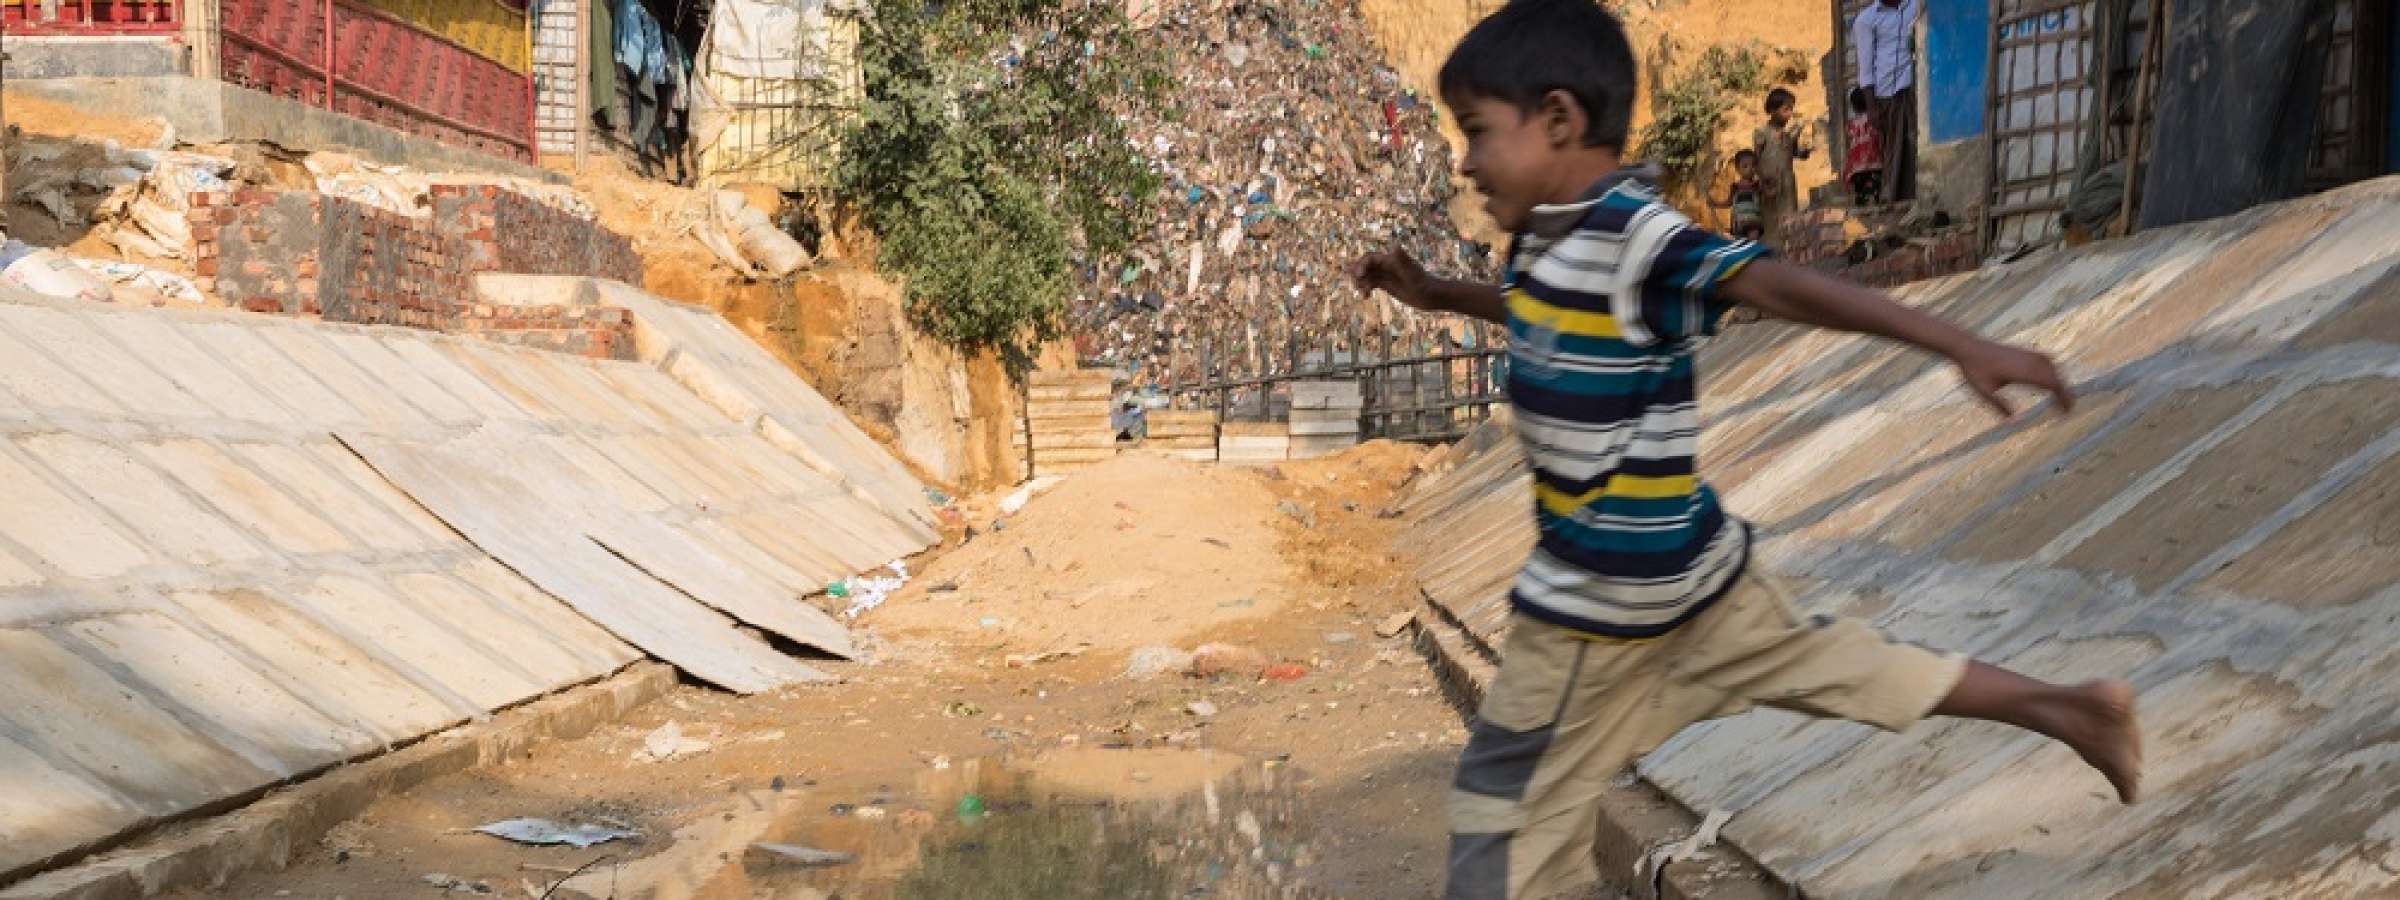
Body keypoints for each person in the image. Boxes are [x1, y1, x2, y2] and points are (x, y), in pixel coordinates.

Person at [1347, 3, 2142, 898]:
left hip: (1594, 609)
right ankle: (2075, 710)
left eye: (1478, 133)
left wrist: (1960, 342)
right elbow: (1543, 308)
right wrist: (1441, 296)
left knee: (1502, 822)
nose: (1466, 160)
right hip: (1697, 577)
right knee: (1853, 668)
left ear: (1560, 120)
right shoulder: (1544, 238)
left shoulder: (1640, 235)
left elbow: (1780, 285)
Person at [1853, 0, 1919, 201]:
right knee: (1895, 149)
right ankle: (1896, 199)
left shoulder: (1916, 6)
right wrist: (1871, 107)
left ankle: (1919, 195)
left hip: (1914, 86)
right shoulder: (1866, 20)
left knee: (1917, 146)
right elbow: (1865, 68)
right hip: (1887, 93)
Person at [1750, 87, 1811, 243]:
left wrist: (1804, 153)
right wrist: (1762, 182)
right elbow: (1754, 160)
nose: (1789, 114)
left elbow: (1794, 152)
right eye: (1786, 109)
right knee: (1771, 222)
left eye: (1791, 109)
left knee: (1790, 218)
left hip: (1787, 183)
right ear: (1772, 110)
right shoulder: (1762, 133)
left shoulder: (1789, 134)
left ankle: (1789, 252)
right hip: (1769, 184)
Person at [1845, 85, 1887, 205]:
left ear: (1853, 107)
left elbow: (1851, 140)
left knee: (1859, 190)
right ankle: (1875, 202)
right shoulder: (1874, 119)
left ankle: (1861, 203)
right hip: (1875, 162)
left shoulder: (1851, 124)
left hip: (1856, 166)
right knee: (1875, 187)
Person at [1712, 149, 1767, 240]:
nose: (1750, 169)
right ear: (1738, 169)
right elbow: (1729, 202)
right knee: (1740, 242)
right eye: (1745, 166)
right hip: (1738, 222)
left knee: (1753, 239)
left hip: (1753, 221)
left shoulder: (1757, 185)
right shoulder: (1735, 187)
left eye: (1753, 166)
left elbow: (1768, 192)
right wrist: (1716, 204)